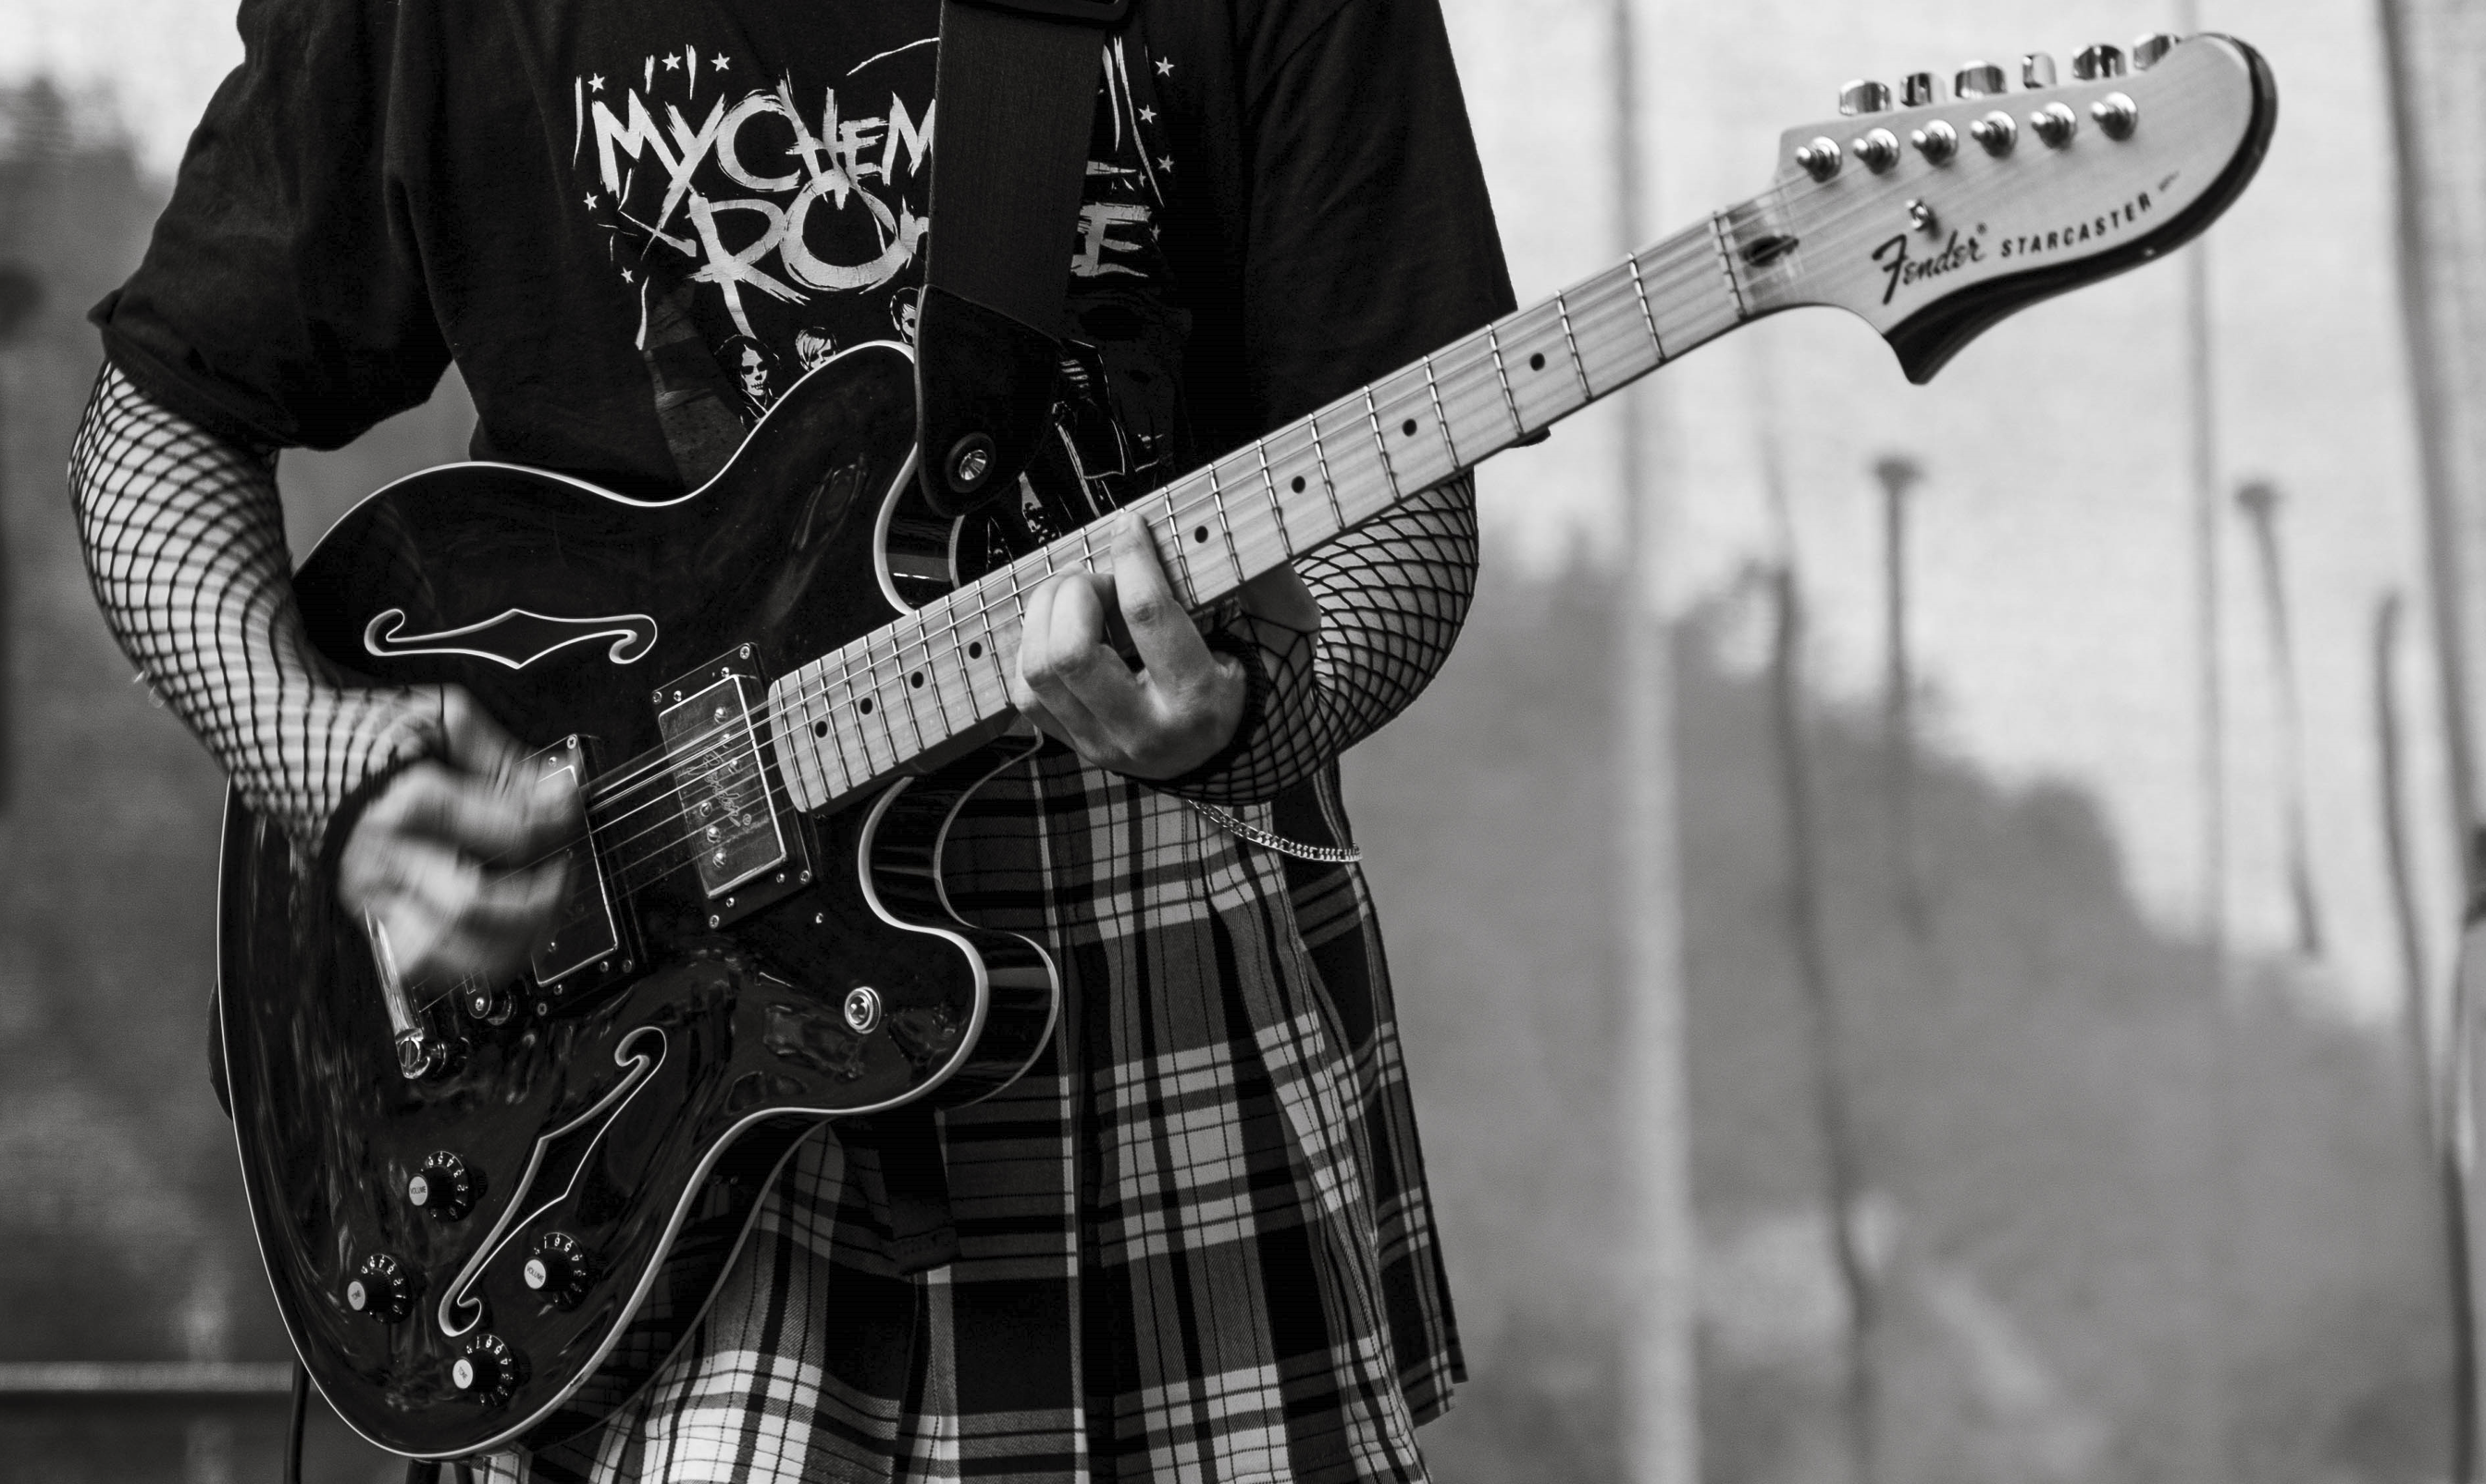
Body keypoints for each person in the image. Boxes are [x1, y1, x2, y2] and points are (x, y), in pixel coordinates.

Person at [68, 0, 1514, 1478]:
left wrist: (1248, 722)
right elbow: (157, 431)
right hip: (629, 1035)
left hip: (1135, 930)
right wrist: (319, 759)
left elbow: (1402, 503)